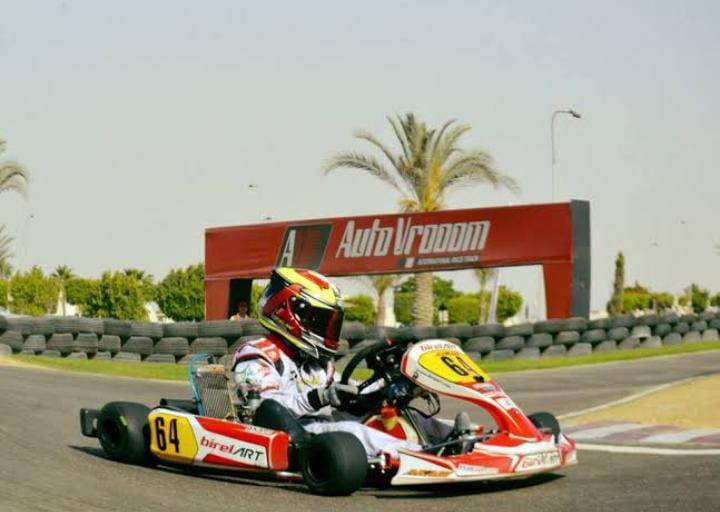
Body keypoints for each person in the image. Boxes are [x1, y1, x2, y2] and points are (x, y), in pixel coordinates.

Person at [231, 267, 426, 458]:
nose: (326, 328)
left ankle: (443, 447)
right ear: (288, 313)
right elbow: (265, 408)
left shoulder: (315, 362)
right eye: (320, 320)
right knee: (353, 431)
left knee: (407, 417)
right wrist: (318, 398)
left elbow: (350, 390)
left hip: (324, 431)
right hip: (293, 435)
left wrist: (390, 382)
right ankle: (422, 458)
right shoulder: (256, 355)